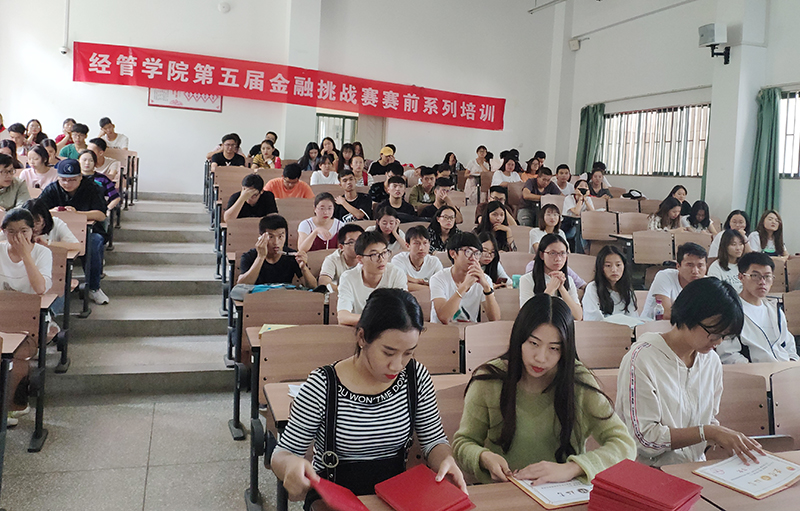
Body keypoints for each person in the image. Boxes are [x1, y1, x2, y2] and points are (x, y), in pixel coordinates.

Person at [272, 288, 467, 505]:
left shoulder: (416, 376)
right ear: (362, 337)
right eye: (388, 352)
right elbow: (282, 453)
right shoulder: (323, 385)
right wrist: (290, 465)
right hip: (335, 500)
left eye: (408, 353)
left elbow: (434, 440)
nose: (397, 365)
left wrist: (445, 460)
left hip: (394, 497)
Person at [454, 294, 635, 484]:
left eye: (554, 348)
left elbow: (624, 444)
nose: (540, 357)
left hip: (564, 493)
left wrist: (573, 468)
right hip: (506, 490)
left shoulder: (578, 380)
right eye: (534, 343)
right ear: (519, 338)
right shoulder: (489, 379)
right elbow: (463, 442)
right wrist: (483, 457)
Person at [617, 277, 764, 467]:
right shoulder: (641, 359)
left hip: (694, 467)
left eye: (725, 336)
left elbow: (708, 419)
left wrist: (722, 439)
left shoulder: (711, 361)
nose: (718, 341)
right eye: (714, 332)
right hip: (649, 470)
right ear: (689, 316)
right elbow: (645, 441)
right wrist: (708, 432)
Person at [0, 208, 53, 426]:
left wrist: (26, 256)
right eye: (11, 232)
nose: (18, 237)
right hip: (2, 317)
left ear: (33, 231)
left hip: (29, 322)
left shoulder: (42, 253)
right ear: (3, 231)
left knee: (17, 354)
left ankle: (13, 405)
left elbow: (40, 288)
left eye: (23, 231)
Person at [38, 159, 110, 305]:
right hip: (57, 232)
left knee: (94, 242)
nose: (67, 183)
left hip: (88, 231)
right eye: (63, 180)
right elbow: (38, 211)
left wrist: (77, 214)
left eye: (72, 180)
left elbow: (101, 215)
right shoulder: (52, 189)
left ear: (80, 177)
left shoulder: (92, 188)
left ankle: (94, 287)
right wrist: (52, 212)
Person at [716, 252, 798, 364]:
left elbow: (789, 345)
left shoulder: (775, 310)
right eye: (755, 276)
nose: (762, 282)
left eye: (767, 276)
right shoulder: (731, 312)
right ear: (741, 277)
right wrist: (756, 370)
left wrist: (792, 362)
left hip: (784, 369)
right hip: (753, 371)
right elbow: (728, 355)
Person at [336, 230, 408, 326]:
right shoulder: (348, 278)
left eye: (384, 252)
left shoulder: (396, 273)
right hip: (359, 330)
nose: (381, 259)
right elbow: (343, 317)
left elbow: (403, 311)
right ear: (360, 259)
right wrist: (377, 320)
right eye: (374, 255)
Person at [430, 232, 500, 324]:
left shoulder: (484, 279)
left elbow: (495, 319)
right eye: (468, 252)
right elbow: (444, 318)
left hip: (470, 331)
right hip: (443, 331)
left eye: (477, 253)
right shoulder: (438, 278)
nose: (473, 258)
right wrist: (465, 285)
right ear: (453, 253)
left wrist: (487, 287)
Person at [237, 214, 316, 288]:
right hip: (257, 297)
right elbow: (242, 285)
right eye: (271, 237)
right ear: (261, 237)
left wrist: (304, 268)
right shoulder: (249, 256)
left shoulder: (292, 256)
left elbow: (313, 287)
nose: (276, 242)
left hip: (283, 297)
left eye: (280, 236)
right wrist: (260, 257)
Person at [519, 234, 582, 319]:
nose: (558, 259)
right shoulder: (527, 279)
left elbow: (578, 316)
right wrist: (550, 290)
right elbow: (527, 316)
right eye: (552, 253)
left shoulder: (569, 280)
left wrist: (561, 288)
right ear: (542, 255)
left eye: (562, 253)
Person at [641, 242, 708, 320]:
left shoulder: (709, 284)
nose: (695, 271)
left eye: (700, 266)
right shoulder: (665, 276)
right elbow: (667, 315)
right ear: (678, 266)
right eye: (690, 265)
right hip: (652, 325)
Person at [582, 246, 638, 321]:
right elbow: (593, 319)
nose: (614, 270)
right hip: (602, 328)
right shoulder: (593, 288)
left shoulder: (627, 289)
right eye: (608, 266)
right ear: (601, 268)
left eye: (618, 265)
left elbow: (633, 318)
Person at [391, 226, 443, 291]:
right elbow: (400, 285)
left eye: (425, 243)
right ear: (408, 246)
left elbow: (442, 284)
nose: (421, 248)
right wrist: (431, 288)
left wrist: (412, 283)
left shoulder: (434, 261)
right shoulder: (398, 260)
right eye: (416, 243)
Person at [318, 224, 363, 291]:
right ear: (341, 247)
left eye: (360, 241)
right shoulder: (332, 259)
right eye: (351, 242)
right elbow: (323, 282)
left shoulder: (371, 256)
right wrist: (346, 291)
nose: (358, 245)